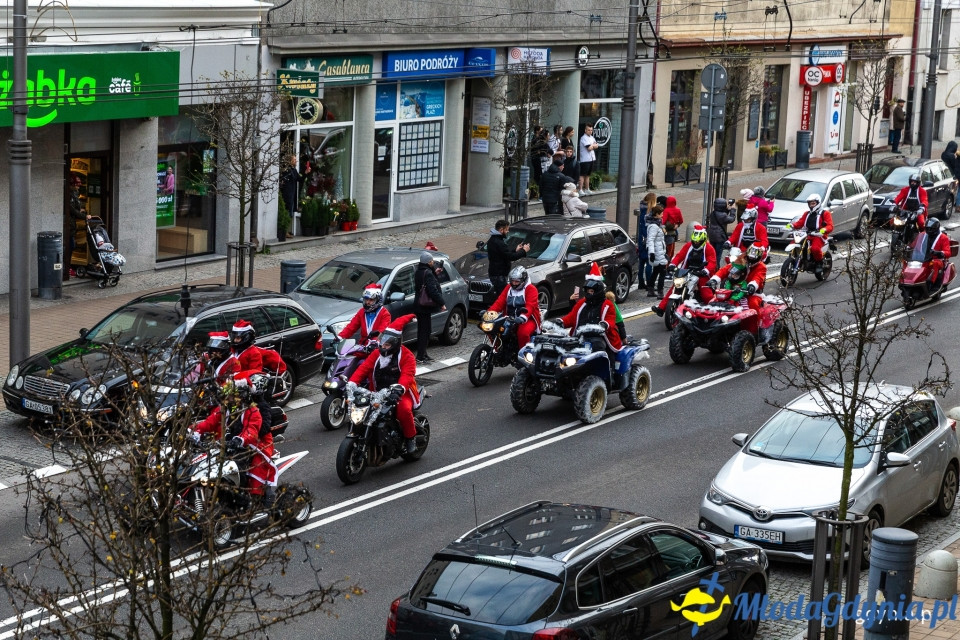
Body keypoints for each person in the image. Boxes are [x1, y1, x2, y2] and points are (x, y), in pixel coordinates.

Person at [192, 381, 276, 504]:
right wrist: (194, 431)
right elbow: (209, 422)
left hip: (250, 446)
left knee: (238, 469)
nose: (228, 398)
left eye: (231, 395)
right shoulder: (224, 409)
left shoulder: (252, 411)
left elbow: (252, 431)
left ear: (241, 396)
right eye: (227, 395)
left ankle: (245, 497)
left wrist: (240, 440)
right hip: (228, 444)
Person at [348, 314, 422, 454]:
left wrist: (398, 390)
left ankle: (410, 438)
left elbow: (407, 375)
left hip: (400, 393)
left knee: (404, 410)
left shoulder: (407, 356)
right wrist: (352, 383)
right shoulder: (376, 354)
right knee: (360, 409)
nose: (383, 346)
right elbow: (363, 369)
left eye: (387, 344)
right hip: (376, 392)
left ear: (395, 343)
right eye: (382, 342)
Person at [652, 224, 716, 317]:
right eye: (694, 241)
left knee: (706, 294)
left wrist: (705, 271)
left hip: (701, 273)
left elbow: (712, 262)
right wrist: (672, 264)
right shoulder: (688, 245)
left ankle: (713, 310)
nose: (696, 243)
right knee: (675, 287)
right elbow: (679, 256)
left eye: (698, 241)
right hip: (686, 271)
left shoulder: (709, 248)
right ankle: (661, 308)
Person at [561, 262, 622, 352]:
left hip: (602, 337)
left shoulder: (607, 305)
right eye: (587, 291)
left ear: (598, 290)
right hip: (581, 337)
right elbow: (572, 317)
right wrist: (560, 322)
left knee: (601, 349)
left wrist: (604, 324)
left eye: (591, 291)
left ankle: (609, 365)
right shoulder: (582, 303)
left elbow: (611, 320)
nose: (589, 293)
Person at [707, 244, 768, 327]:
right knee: (714, 301)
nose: (750, 259)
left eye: (753, 258)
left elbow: (758, 278)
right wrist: (714, 279)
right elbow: (725, 269)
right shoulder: (741, 259)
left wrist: (752, 286)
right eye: (749, 256)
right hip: (733, 289)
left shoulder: (761, 267)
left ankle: (752, 330)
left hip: (751, 293)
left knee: (753, 305)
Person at [487, 265, 541, 348]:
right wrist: (489, 313)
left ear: (523, 280)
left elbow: (530, 306)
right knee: (492, 329)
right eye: (512, 281)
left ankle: (524, 355)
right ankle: (497, 349)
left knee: (523, 333)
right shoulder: (508, 288)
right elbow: (499, 302)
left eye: (517, 281)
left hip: (528, 319)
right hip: (509, 317)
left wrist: (523, 317)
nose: (514, 284)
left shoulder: (531, 289)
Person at [786, 194, 834, 276]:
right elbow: (800, 222)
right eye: (810, 203)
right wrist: (792, 225)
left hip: (819, 235)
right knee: (793, 243)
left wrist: (824, 229)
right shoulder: (806, 214)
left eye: (813, 203)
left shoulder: (825, 213)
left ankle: (819, 263)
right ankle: (795, 259)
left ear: (818, 203)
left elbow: (830, 225)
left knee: (815, 248)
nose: (811, 205)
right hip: (807, 234)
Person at [413, 251, 446, 363]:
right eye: (431, 261)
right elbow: (432, 290)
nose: (433, 262)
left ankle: (423, 354)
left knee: (424, 330)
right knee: (425, 331)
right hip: (424, 306)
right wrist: (441, 303)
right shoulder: (428, 273)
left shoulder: (419, 271)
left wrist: (434, 273)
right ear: (428, 262)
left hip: (419, 305)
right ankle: (421, 356)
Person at [487, 219, 530, 293]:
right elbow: (511, 257)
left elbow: (504, 254)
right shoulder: (499, 242)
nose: (508, 232)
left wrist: (515, 250)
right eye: (507, 230)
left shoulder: (492, 240)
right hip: (499, 276)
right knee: (503, 297)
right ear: (501, 230)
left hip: (495, 274)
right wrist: (524, 251)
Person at [910, 217, 953, 288]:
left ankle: (931, 283)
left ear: (936, 229)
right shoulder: (922, 234)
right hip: (922, 258)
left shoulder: (943, 237)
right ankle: (910, 281)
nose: (929, 230)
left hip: (937, 259)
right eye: (927, 228)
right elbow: (913, 245)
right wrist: (908, 248)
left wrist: (939, 253)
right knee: (909, 263)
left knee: (934, 264)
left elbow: (948, 252)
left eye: (931, 229)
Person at [634, 192, 657, 291]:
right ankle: (649, 283)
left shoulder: (642, 209)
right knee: (649, 263)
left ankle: (641, 282)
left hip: (641, 239)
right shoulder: (650, 213)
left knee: (641, 263)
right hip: (648, 239)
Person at [646, 205, 668, 298]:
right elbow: (650, 240)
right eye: (661, 213)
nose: (663, 215)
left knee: (655, 271)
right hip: (657, 252)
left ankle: (651, 290)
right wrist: (652, 253)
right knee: (662, 272)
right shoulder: (654, 226)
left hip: (659, 251)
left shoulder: (656, 224)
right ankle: (660, 291)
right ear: (657, 214)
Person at [707, 197, 736, 262]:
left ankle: (711, 263)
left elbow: (721, 215)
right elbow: (731, 219)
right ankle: (716, 266)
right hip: (720, 237)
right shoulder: (723, 216)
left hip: (712, 236)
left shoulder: (713, 213)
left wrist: (727, 210)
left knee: (713, 252)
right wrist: (733, 210)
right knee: (718, 254)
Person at [578, 123, 599, 196]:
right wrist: (593, 145)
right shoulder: (583, 138)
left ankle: (587, 189)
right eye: (589, 130)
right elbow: (589, 148)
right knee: (582, 175)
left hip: (591, 159)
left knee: (588, 175)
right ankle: (580, 189)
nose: (590, 131)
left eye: (591, 130)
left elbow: (596, 146)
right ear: (585, 130)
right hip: (585, 159)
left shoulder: (592, 138)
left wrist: (592, 145)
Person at [941, 141, 960, 211]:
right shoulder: (952, 156)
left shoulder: (943, 154)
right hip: (953, 174)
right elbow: (955, 166)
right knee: (957, 190)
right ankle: (957, 204)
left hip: (945, 173)